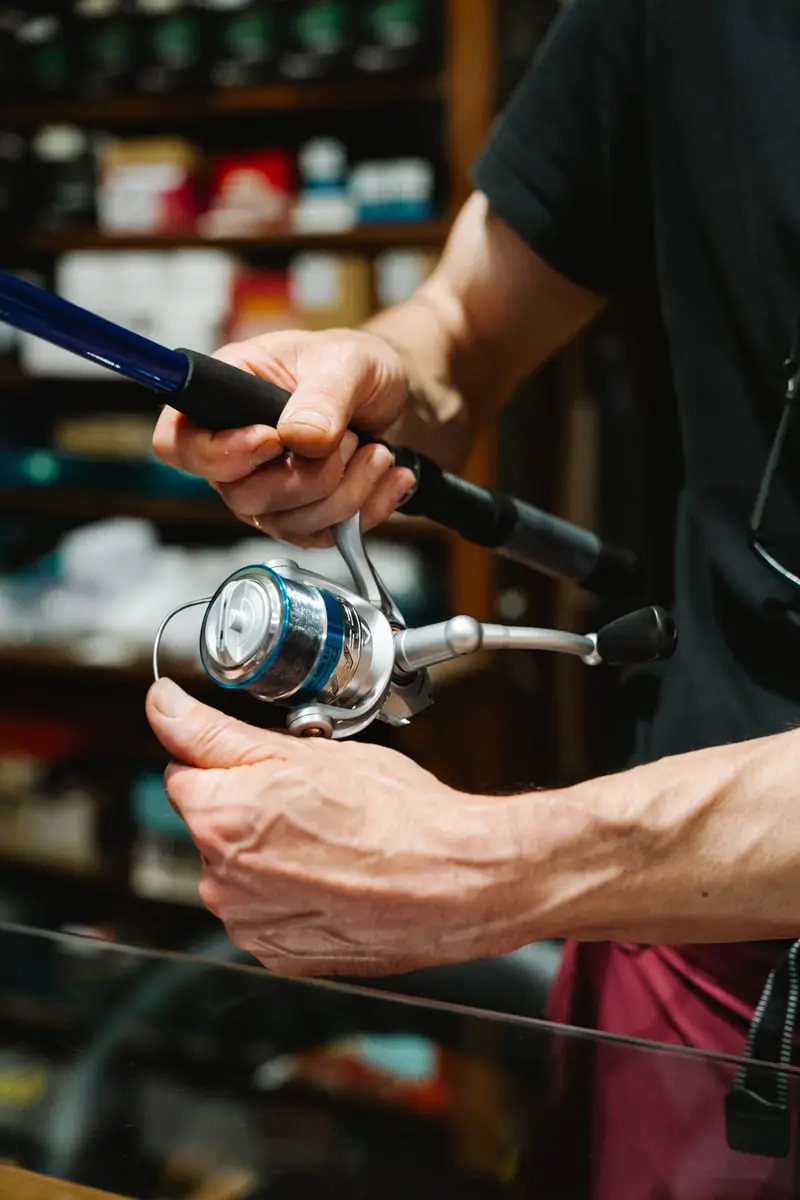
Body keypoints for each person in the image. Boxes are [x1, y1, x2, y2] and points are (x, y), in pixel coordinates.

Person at [145, 1, 800, 1194]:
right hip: (678, 941)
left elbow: (502, 867)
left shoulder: (525, 861)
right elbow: (463, 324)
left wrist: (488, 865)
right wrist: (380, 376)